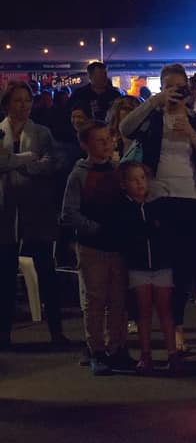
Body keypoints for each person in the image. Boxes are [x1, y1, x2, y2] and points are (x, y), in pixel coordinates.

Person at [119, 63, 196, 357]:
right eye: (169, 87)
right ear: (163, 88)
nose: (176, 92)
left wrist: (192, 134)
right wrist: (153, 102)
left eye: (180, 86)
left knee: (186, 269)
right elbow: (124, 128)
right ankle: (163, 328)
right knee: (164, 268)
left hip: (192, 198)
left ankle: (178, 326)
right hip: (160, 198)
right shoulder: (151, 118)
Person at [0, 81, 69, 348]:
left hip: (37, 209)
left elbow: (52, 163)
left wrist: (18, 165)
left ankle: (56, 331)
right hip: (5, 211)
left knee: (46, 272)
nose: (24, 106)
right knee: (5, 274)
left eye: (27, 100)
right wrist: (27, 158)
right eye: (18, 101)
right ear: (7, 104)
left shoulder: (42, 132)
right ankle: (4, 333)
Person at [61, 123, 128, 375]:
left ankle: (117, 347)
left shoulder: (116, 171)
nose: (106, 144)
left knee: (118, 299)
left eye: (108, 139)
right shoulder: (79, 174)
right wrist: (93, 228)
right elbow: (69, 212)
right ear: (86, 145)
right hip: (92, 246)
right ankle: (96, 350)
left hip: (116, 244)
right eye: (99, 141)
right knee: (96, 299)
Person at [114, 161, 179, 375]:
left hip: (161, 265)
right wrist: (149, 229)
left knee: (165, 310)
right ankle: (146, 354)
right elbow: (130, 234)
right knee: (143, 312)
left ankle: (172, 353)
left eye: (142, 178)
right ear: (124, 184)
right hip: (138, 267)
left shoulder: (158, 205)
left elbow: (165, 232)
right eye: (134, 180)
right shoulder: (124, 208)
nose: (139, 183)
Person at [104, 95, 141, 161]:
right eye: (126, 109)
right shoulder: (106, 135)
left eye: (132, 110)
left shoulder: (141, 139)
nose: (130, 113)